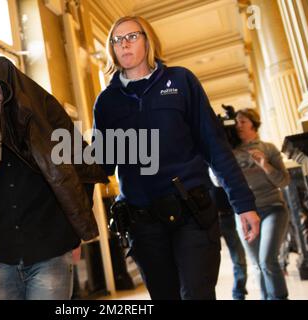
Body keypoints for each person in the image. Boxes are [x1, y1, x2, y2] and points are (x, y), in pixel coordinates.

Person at [92, 16, 260, 300]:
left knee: (197, 293)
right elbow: (103, 164)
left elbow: (215, 147)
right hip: (143, 222)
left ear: (148, 40)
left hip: (191, 213)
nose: (124, 44)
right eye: (117, 40)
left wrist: (243, 204)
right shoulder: (107, 102)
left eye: (132, 36)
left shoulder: (180, 80)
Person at [0, 57, 108, 300]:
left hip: (51, 249)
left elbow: (84, 171)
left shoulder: (45, 116)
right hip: (6, 254)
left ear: (11, 84)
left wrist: (75, 232)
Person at [234, 108, 290, 300]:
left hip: (273, 209)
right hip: (244, 214)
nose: (238, 125)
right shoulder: (231, 153)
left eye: (242, 121)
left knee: (267, 260)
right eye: (236, 122)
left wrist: (265, 164)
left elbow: (283, 181)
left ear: (253, 123)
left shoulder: (268, 148)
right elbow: (218, 182)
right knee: (257, 263)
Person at [210, 184, 248, 300]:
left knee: (239, 258)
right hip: (209, 220)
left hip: (230, 216)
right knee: (207, 263)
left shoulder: (224, 168)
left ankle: (238, 292)